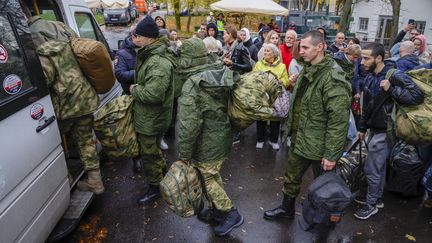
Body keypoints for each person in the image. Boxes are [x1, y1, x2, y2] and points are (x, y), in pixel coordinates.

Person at [263, 30, 351, 220]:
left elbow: (338, 120)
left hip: (320, 145)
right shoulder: (309, 67)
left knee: (324, 185)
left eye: (305, 47)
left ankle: (325, 219)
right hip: (301, 137)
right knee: (291, 176)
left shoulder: (333, 77)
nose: (300, 50)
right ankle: (287, 210)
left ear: (319, 47)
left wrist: (331, 154)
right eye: (300, 46)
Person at [22, 3, 105, 194]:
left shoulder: (29, 37)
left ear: (23, 17)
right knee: (85, 140)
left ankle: (65, 179)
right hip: (85, 95)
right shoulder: (61, 26)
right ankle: (96, 181)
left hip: (66, 103)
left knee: (55, 140)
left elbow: (46, 77)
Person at [177, 38, 243, 237]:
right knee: (211, 174)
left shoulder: (192, 84)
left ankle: (230, 213)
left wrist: (184, 154)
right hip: (223, 134)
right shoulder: (218, 71)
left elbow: (189, 125)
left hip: (207, 141)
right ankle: (217, 211)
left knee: (207, 178)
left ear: (188, 60)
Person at [354, 42, 423, 220]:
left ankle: (371, 204)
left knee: (372, 169)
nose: (362, 62)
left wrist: (391, 89)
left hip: (386, 131)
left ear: (379, 58)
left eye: (367, 58)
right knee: (378, 167)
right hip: (374, 130)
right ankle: (375, 199)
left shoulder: (394, 75)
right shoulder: (370, 77)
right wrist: (362, 128)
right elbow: (368, 106)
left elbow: (416, 96)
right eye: (362, 57)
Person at [130, 16, 176, 206]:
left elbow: (153, 94)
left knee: (149, 153)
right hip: (149, 116)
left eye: (138, 36)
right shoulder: (149, 55)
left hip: (152, 118)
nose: (135, 38)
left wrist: (134, 89)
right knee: (153, 151)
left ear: (149, 38)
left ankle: (155, 187)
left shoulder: (157, 62)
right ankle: (162, 174)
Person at [253, 43, 289, 150]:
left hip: (276, 96)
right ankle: (260, 139)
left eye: (268, 51)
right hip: (263, 94)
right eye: (265, 51)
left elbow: (286, 81)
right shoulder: (259, 64)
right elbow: (254, 77)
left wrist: (277, 81)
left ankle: (273, 140)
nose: (265, 52)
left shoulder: (281, 66)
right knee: (261, 117)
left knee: (275, 118)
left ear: (274, 53)